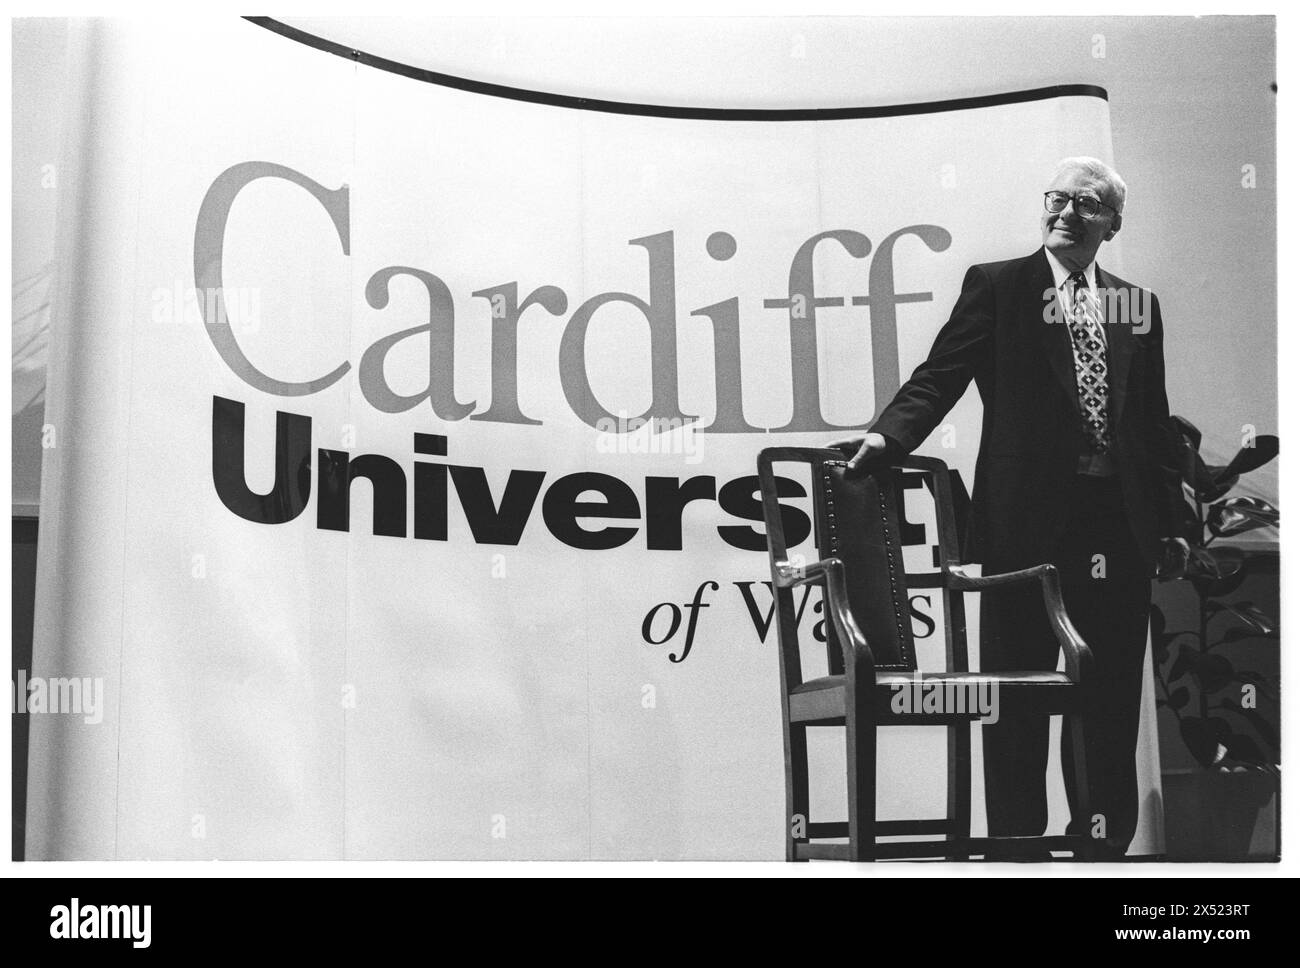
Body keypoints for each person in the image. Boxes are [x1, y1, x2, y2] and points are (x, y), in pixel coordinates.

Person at [832, 157, 1187, 860]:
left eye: (1085, 204)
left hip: (1118, 524)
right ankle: (1018, 849)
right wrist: (888, 434)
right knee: (1019, 696)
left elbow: (1154, 424)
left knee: (1109, 697)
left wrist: (1173, 524)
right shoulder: (1001, 286)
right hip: (1026, 524)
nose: (1064, 212)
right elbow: (941, 374)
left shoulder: (1135, 305)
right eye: (1055, 199)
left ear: (1112, 222)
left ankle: (1102, 848)